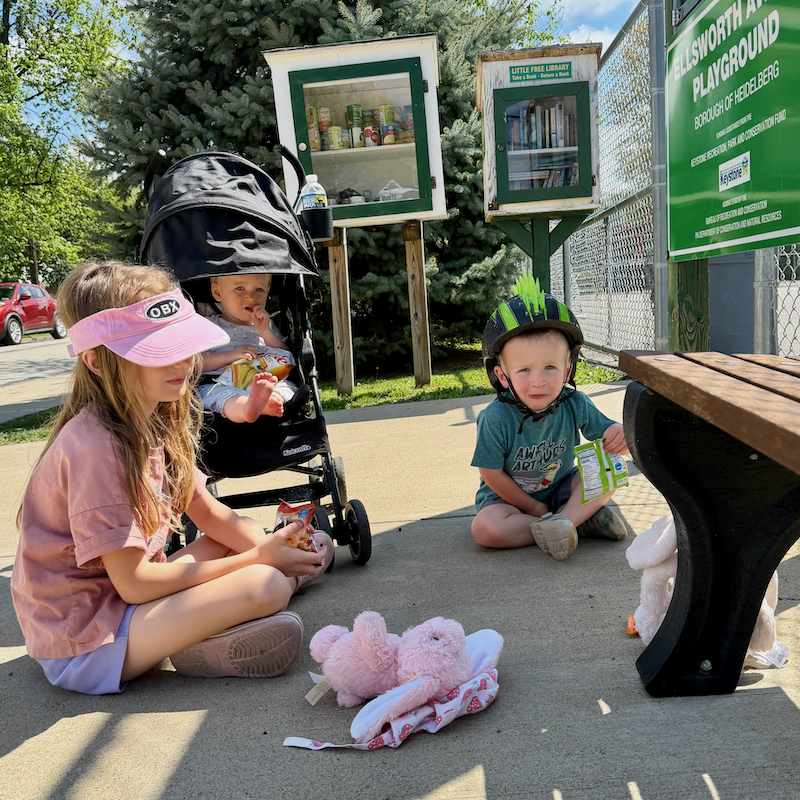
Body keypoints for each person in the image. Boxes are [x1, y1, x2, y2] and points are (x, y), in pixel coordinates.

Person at [10, 261, 332, 695]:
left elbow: (211, 515)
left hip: (128, 606)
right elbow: (135, 583)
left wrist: (281, 548)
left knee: (241, 532)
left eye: (182, 344)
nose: (183, 360)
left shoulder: (151, 422)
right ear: (96, 361)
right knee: (266, 583)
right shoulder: (94, 448)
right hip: (87, 642)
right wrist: (263, 559)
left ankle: (216, 629)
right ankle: (213, 628)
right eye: (158, 351)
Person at [470, 274, 629, 561]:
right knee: (485, 529)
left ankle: (566, 521)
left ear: (567, 369)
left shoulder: (574, 402)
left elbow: (608, 436)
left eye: (550, 368)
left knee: (610, 468)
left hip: (561, 489)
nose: (538, 381)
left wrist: (618, 435)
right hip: (508, 502)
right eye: (524, 370)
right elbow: (490, 473)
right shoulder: (495, 418)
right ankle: (576, 521)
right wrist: (533, 509)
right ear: (502, 376)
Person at [198, 272, 308, 423]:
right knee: (221, 396)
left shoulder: (265, 324)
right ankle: (249, 408)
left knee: (287, 388)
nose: (251, 297)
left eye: (259, 290)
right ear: (218, 293)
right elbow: (199, 363)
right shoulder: (208, 325)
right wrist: (230, 355)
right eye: (240, 288)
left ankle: (269, 401)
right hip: (221, 382)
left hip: (264, 380)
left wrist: (265, 331)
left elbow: (285, 356)